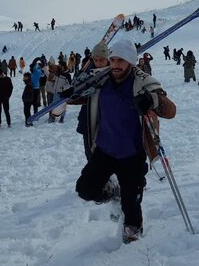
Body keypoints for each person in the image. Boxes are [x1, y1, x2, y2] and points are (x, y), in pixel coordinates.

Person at [74, 39, 177, 243]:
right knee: (85, 189)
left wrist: (153, 101)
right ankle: (113, 191)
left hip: (132, 154)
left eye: (120, 60)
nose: (115, 64)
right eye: (112, 59)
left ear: (130, 61)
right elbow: (75, 96)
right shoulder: (100, 80)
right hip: (104, 149)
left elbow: (170, 111)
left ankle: (133, 231)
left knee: (131, 204)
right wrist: (70, 93)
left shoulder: (143, 82)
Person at [73, 42, 110, 161]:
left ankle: (108, 175)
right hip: (87, 118)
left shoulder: (113, 73)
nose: (99, 63)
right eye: (96, 60)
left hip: (107, 119)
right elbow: (75, 91)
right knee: (90, 150)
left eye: (102, 60)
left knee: (107, 150)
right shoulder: (86, 74)